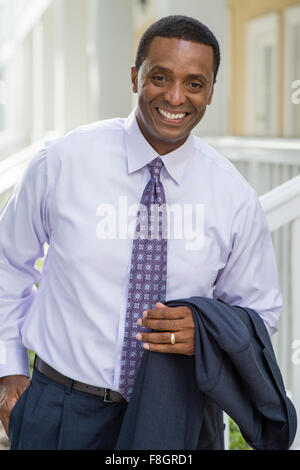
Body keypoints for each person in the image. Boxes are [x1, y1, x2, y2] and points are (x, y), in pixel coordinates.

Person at [0, 15, 282, 450]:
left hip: (179, 418)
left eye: (194, 83)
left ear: (209, 91)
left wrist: (204, 333)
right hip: (61, 413)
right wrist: (8, 370)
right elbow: (7, 263)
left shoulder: (234, 197)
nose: (174, 97)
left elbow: (260, 312)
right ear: (135, 78)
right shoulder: (62, 162)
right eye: (160, 77)